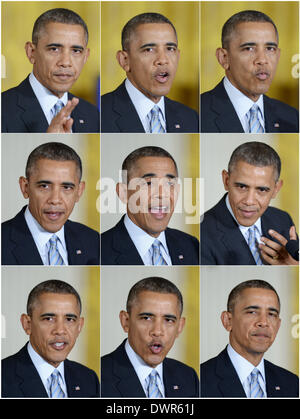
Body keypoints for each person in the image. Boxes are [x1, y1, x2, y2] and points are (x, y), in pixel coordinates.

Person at [2, 8, 99, 133]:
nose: (65, 62)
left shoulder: (93, 115)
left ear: (85, 57)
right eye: (54, 49)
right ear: (31, 52)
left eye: (76, 51)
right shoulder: (3, 108)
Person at [200, 141, 298, 265]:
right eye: (242, 187)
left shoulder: (283, 219)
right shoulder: (201, 233)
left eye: (262, 190)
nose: (249, 201)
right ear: (226, 180)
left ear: (276, 189)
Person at [2, 141, 99, 265]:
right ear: (25, 187)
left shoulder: (93, 240)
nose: (55, 199)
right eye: (44, 186)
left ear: (79, 191)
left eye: (67, 187)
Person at [201, 10, 299, 133]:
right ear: (224, 58)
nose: (262, 60)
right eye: (249, 49)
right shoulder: (198, 115)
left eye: (270, 48)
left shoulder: (292, 117)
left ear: (278, 55)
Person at [101, 276, 199, 398]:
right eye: (146, 318)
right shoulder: (99, 376)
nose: (157, 331)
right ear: (126, 321)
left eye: (168, 320)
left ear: (179, 327)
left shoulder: (188, 377)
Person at [101, 12, 199, 133]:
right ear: (124, 60)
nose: (163, 60)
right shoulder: (99, 115)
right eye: (149, 49)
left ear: (178, 56)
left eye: (170, 49)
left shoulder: (191, 118)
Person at [101, 146, 199, 265]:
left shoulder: (192, 246)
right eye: (149, 183)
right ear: (123, 193)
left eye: (169, 183)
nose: (162, 194)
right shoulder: (99, 250)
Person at [2, 279, 100, 398]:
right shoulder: (3, 376)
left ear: (79, 326)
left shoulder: (88, 378)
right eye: (49, 318)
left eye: (69, 319)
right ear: (27, 324)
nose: (59, 330)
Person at [200, 280, 299, 398]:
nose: (263, 322)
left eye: (271, 314)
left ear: (278, 325)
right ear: (228, 321)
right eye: (252, 312)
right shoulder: (200, 379)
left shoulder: (292, 383)